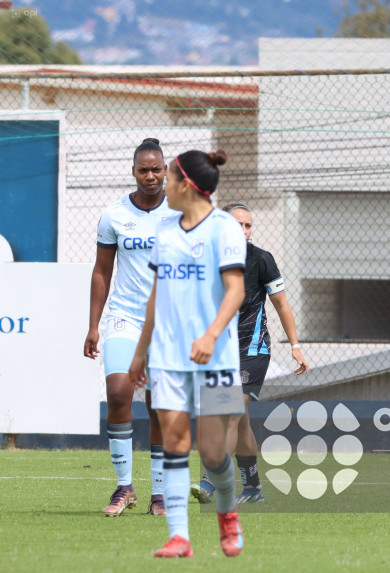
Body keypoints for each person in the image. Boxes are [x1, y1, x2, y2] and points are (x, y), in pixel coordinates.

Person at [129, 149, 247, 558]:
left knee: (214, 454)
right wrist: (141, 351)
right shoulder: (165, 231)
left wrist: (212, 335)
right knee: (175, 442)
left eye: (170, 177)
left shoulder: (224, 229)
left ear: (186, 185)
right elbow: (156, 296)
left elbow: (236, 290)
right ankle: (179, 536)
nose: (163, 183)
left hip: (218, 359)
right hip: (167, 358)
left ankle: (228, 511)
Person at [191, 203, 309, 506]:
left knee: (229, 411)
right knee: (239, 420)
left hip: (253, 350)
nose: (244, 231)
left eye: (248, 225)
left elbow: (282, 305)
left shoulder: (261, 259)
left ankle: (210, 480)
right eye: (237, 225)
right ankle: (253, 487)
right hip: (220, 350)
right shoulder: (206, 259)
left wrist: (295, 346)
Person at [84, 137, 172, 517]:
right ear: (133, 171)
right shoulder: (113, 215)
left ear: (166, 171)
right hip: (125, 316)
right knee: (119, 392)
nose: (150, 175)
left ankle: (160, 494)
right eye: (143, 169)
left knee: (160, 406)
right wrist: (93, 326)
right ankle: (124, 488)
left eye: (156, 169)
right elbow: (102, 271)